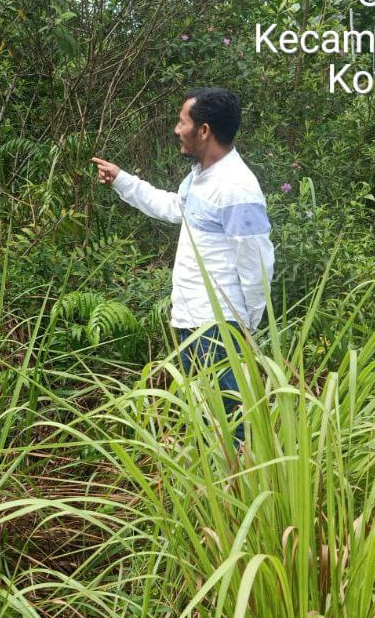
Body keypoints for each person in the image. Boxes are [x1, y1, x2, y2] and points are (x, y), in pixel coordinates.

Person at [91, 87, 274, 445]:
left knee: (232, 423)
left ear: (203, 130)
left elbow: (257, 264)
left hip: (220, 326)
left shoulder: (237, 188)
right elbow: (177, 208)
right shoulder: (200, 177)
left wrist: (247, 325)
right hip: (192, 320)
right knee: (207, 417)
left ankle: (238, 490)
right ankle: (211, 492)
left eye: (182, 122)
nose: (177, 129)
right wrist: (123, 180)